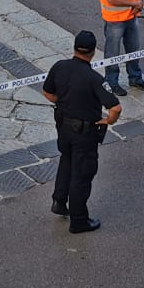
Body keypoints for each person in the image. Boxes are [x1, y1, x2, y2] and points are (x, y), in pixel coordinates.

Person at [42, 30, 121, 235]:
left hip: (64, 128)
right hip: (84, 134)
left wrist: (63, 103)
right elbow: (115, 108)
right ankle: (79, 220)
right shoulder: (94, 78)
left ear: (75, 47)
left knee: (67, 162)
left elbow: (48, 92)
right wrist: (107, 121)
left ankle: (59, 200)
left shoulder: (59, 67)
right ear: (93, 52)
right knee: (82, 175)